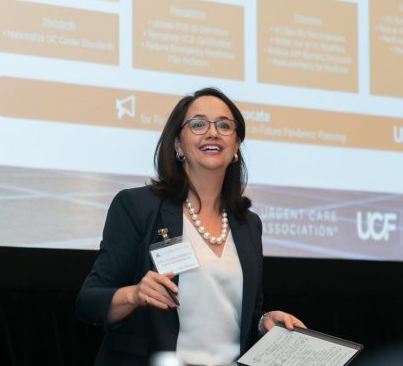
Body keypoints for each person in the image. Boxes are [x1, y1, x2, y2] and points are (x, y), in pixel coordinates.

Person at [76, 87, 306, 365]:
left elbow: (238, 314)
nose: (213, 133)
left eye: (224, 126)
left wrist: (263, 322)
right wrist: (135, 294)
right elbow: (88, 303)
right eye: (198, 124)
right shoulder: (137, 206)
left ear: (235, 146)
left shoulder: (248, 224)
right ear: (177, 144)